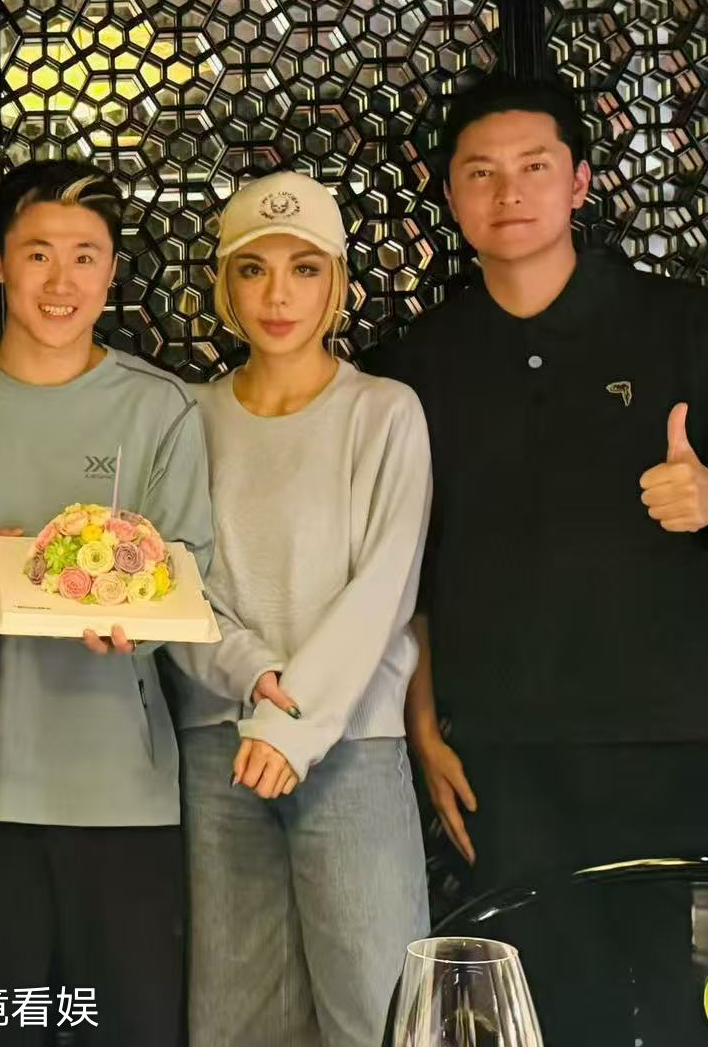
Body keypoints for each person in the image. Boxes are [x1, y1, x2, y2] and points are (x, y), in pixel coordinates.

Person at [367, 74, 708, 1039]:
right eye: (480, 172)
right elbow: (403, 567)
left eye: (533, 167)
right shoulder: (414, 366)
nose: (508, 192)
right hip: (504, 755)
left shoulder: (689, 326)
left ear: (580, 181)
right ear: (449, 194)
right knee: (543, 1008)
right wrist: (422, 726)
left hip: (672, 743)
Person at [0, 159, 277, 1047]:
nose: (60, 281)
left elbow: (186, 574)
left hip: (121, 792)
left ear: (111, 272)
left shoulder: (159, 408)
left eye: (85, 256)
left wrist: (136, 629)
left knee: (130, 1028)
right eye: (37, 254)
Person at [176, 172, 431, 1047]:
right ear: (222, 284)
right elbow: (176, 581)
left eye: (304, 268)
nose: (277, 295)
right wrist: (252, 678)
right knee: (235, 1019)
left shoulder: (383, 412)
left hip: (351, 740)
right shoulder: (188, 417)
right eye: (252, 269)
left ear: (338, 282)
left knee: (376, 1011)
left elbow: (385, 585)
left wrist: (291, 722)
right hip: (218, 741)